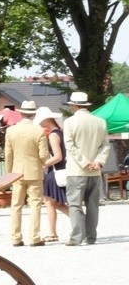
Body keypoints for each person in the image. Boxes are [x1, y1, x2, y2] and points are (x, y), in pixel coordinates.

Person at [62, 91, 110, 246]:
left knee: (75, 204)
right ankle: (91, 236)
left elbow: (70, 146)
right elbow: (105, 145)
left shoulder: (69, 122)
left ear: (74, 105)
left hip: (76, 170)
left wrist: (84, 162)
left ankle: (77, 237)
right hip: (95, 171)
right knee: (93, 205)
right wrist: (98, 161)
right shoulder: (100, 122)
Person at [4, 100, 49, 247]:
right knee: (35, 204)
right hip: (35, 172)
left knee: (16, 205)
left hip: (16, 172)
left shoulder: (10, 131)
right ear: (34, 114)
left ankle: (16, 238)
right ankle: (34, 237)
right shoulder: (39, 130)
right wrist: (43, 164)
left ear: (21, 113)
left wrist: (8, 173)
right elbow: (43, 155)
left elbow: (8, 155)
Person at [34, 106, 68, 242]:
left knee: (49, 202)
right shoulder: (61, 132)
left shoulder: (53, 135)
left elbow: (58, 156)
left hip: (55, 172)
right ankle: (81, 220)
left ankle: (53, 233)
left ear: (46, 120)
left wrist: (43, 164)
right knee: (57, 203)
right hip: (62, 169)